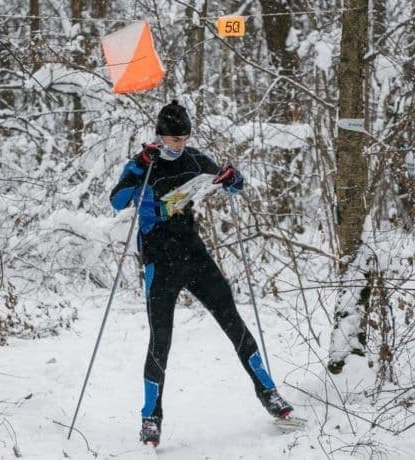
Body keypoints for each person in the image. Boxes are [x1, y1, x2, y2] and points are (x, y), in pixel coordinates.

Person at [109, 100, 294, 447]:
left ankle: (269, 393)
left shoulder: (194, 159)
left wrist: (232, 177)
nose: (177, 145)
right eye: (172, 139)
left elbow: (233, 184)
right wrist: (137, 168)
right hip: (158, 262)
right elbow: (117, 201)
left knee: (232, 319)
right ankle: (151, 418)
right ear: (159, 136)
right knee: (160, 339)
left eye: (183, 138)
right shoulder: (143, 165)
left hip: (193, 255)